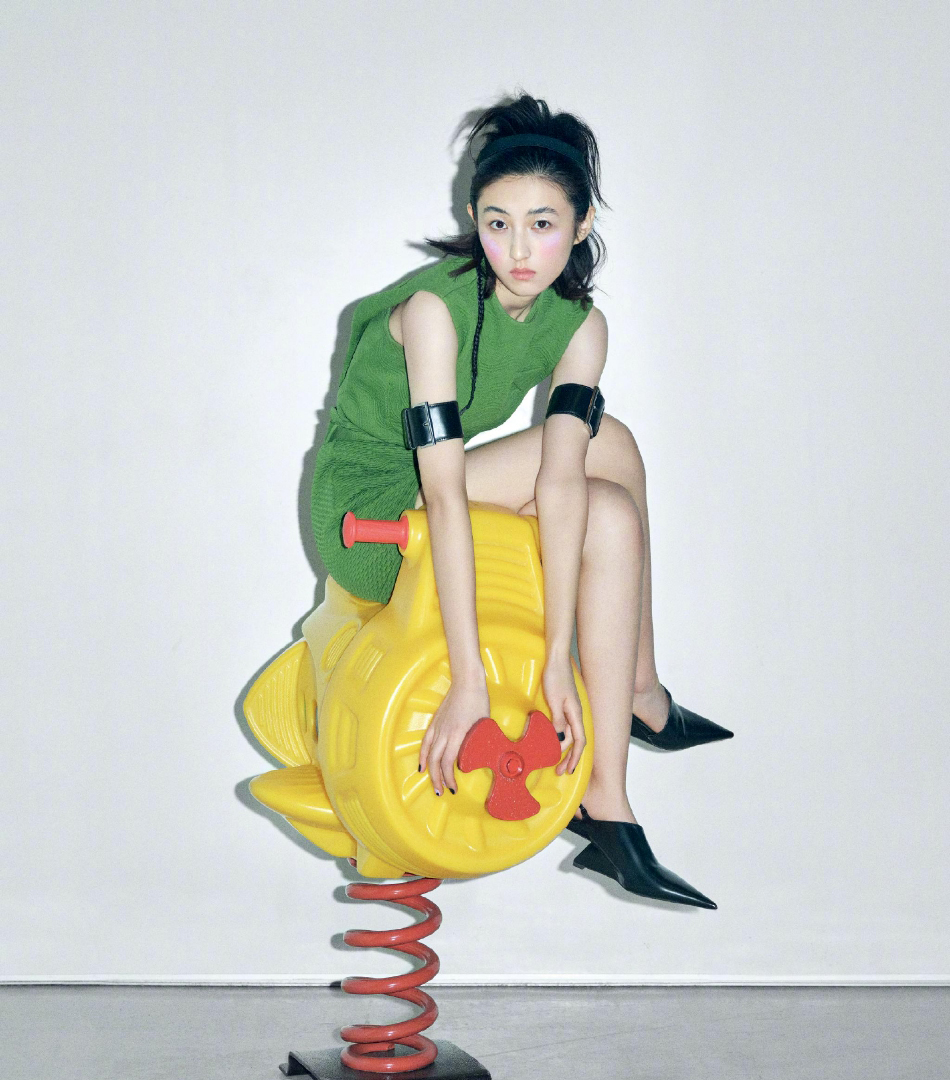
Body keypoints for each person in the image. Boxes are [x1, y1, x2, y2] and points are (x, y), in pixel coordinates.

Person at [311, 94, 732, 908]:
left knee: (611, 462)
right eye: (498, 223)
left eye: (542, 224)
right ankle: (618, 770)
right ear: (474, 219)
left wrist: (559, 658)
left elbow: (565, 480)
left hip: (438, 489)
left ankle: (631, 710)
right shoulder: (434, 313)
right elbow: (441, 495)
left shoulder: (580, 325)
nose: (518, 249)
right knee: (601, 484)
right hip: (372, 516)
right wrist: (471, 677)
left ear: (581, 224)